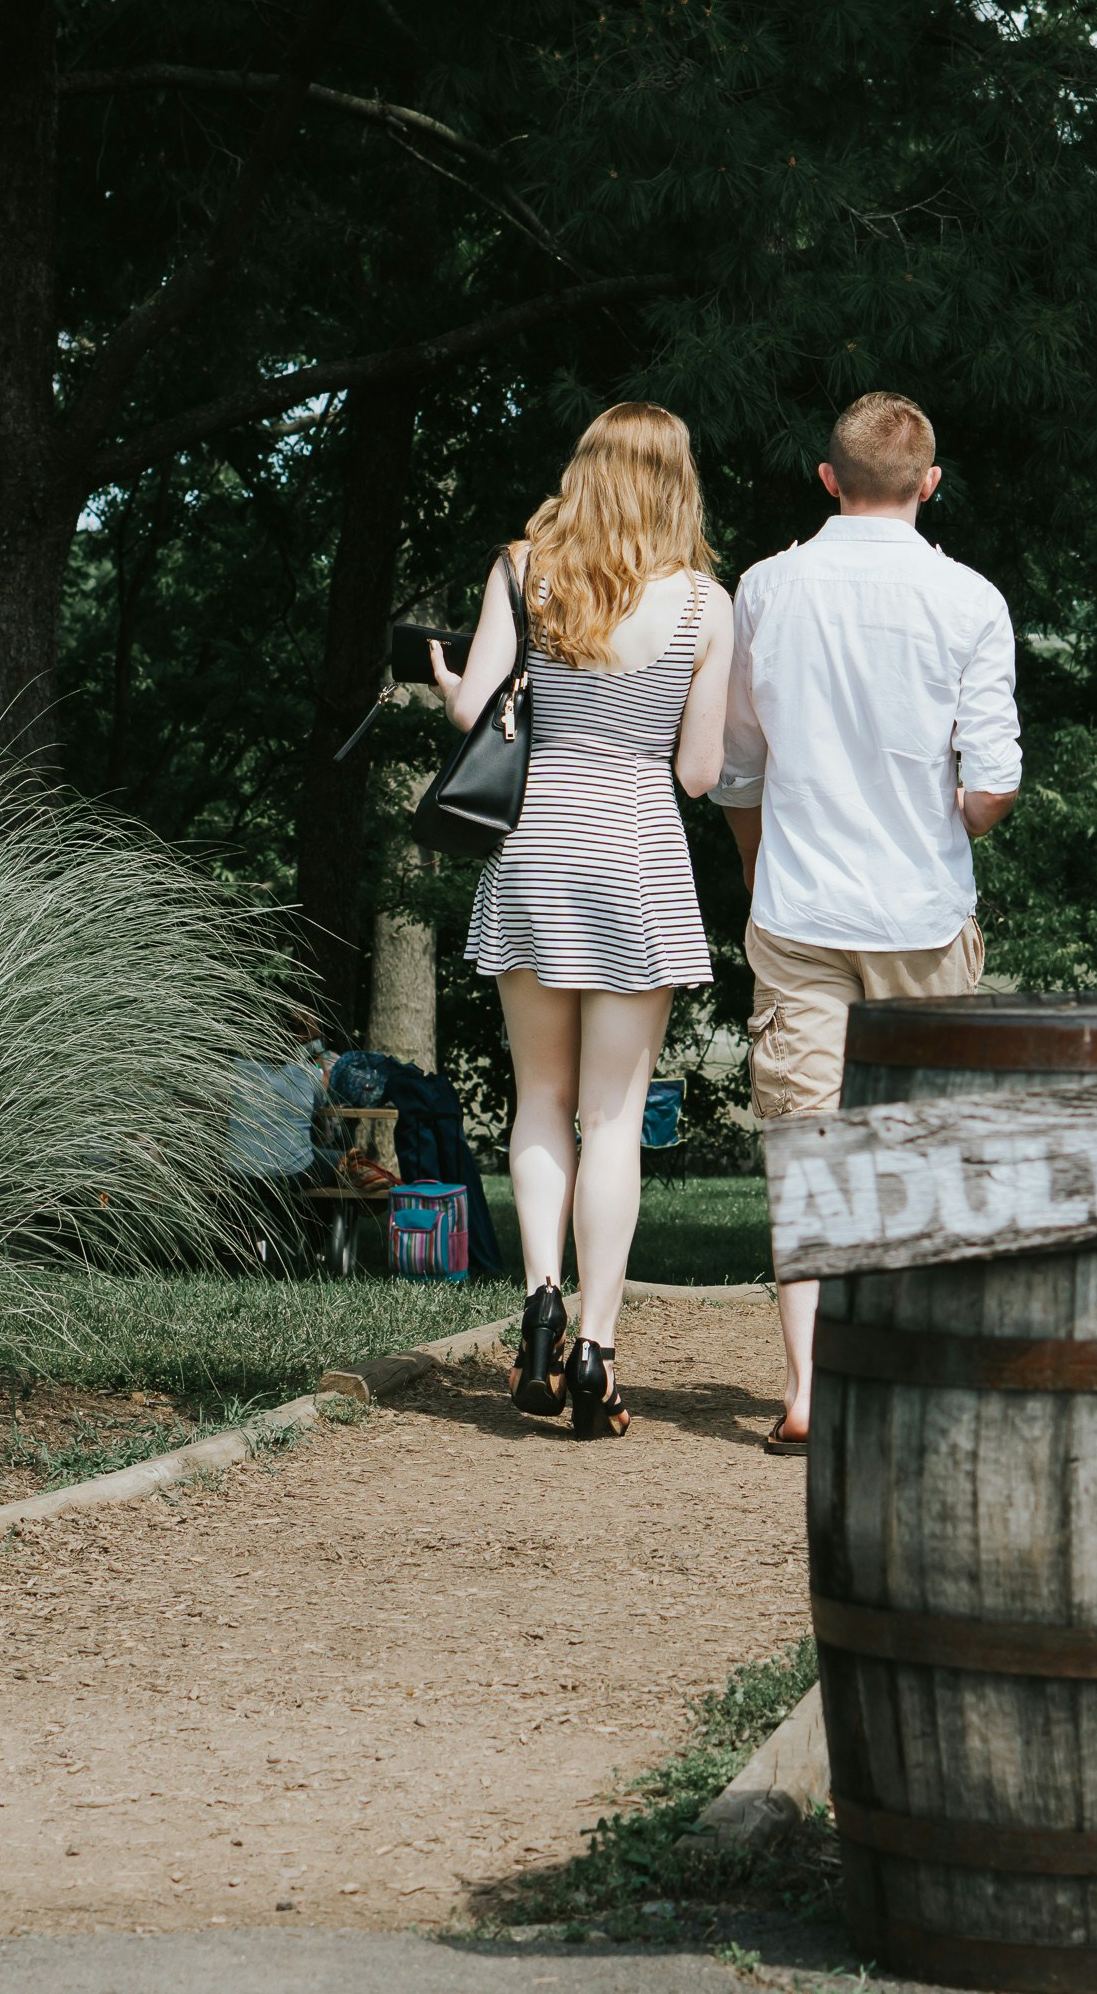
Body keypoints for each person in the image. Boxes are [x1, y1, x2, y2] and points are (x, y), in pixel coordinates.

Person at [714, 392, 1020, 1454]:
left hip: (800, 907)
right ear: (931, 484)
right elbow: (993, 786)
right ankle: (920, 1372)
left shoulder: (765, 587)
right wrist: (954, 809)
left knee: (806, 1146)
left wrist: (760, 874)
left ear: (828, 477)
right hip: (924, 913)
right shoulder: (971, 598)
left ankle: (809, 1387)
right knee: (925, 1149)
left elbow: (739, 766)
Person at [429, 403, 733, 1441]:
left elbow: (476, 709)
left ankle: (540, 1298)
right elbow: (698, 772)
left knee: (539, 1102)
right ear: (675, 483)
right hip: (638, 853)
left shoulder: (524, 567)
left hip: (537, 850)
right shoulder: (704, 603)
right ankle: (597, 1348)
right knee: (613, 1117)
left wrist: (445, 687)